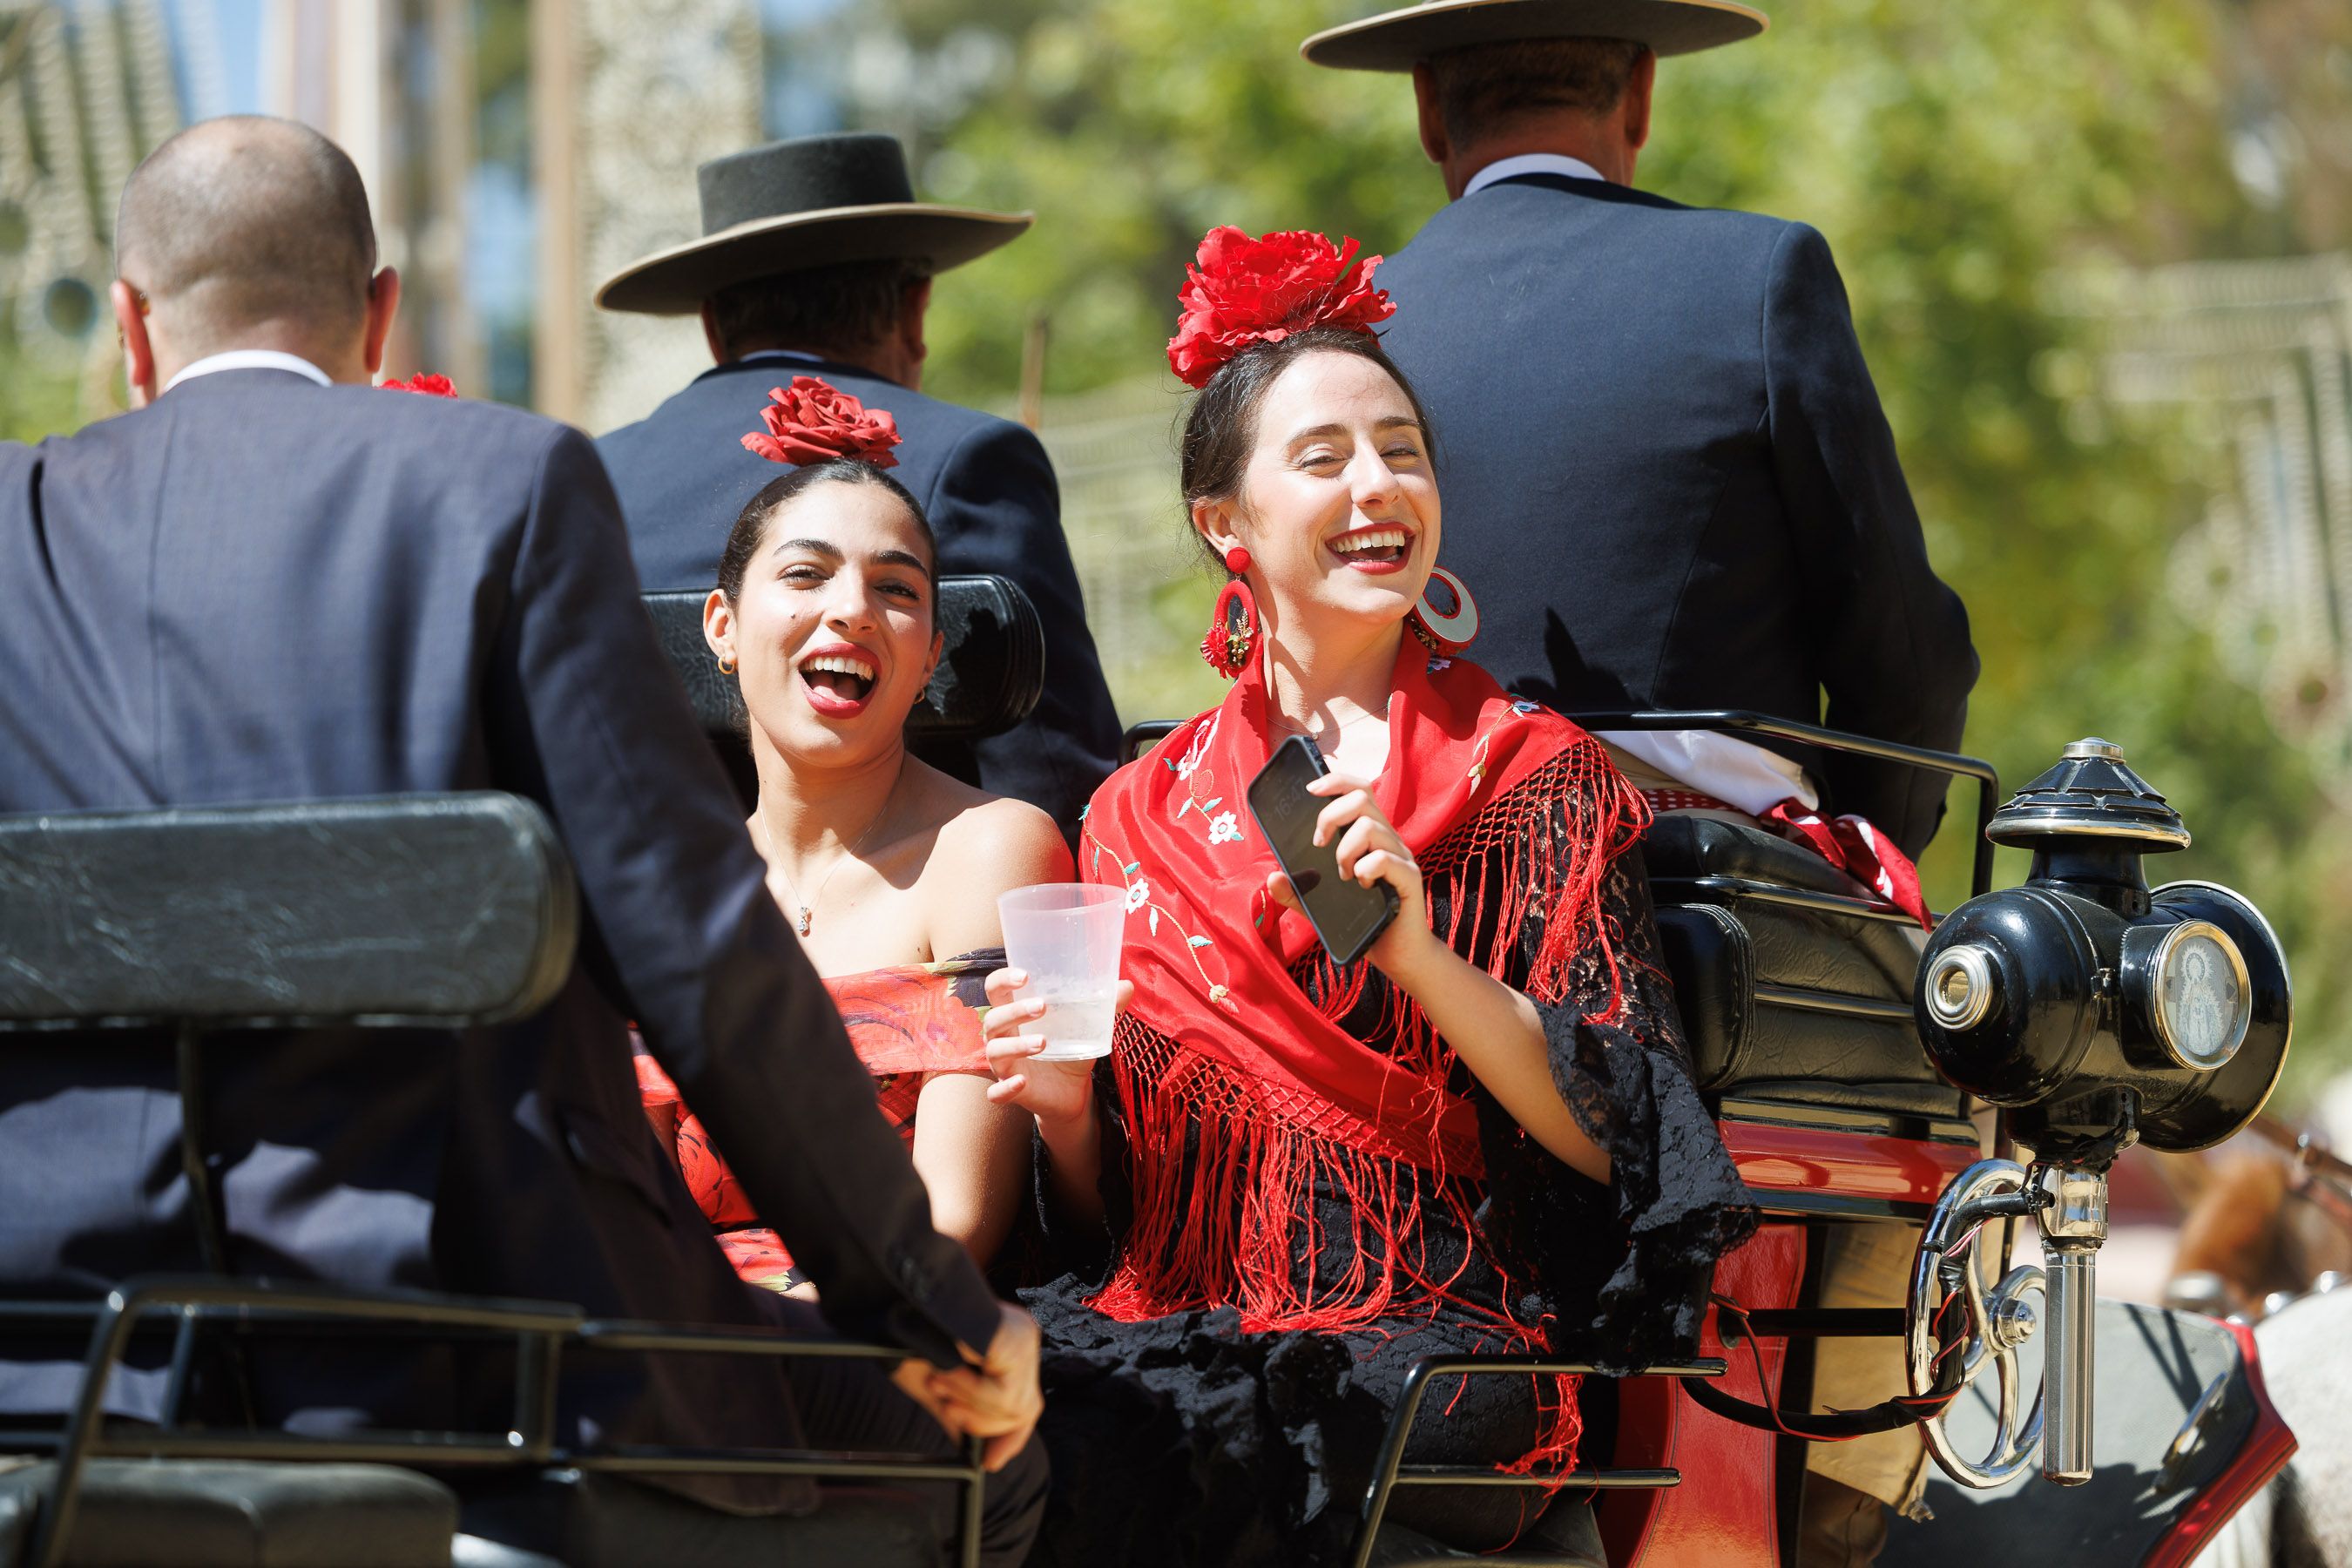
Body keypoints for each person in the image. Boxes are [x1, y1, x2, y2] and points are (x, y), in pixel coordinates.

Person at [0, 116, 1045, 1566]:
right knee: (1001, 1459)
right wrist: (929, 1304)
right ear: (381, 314)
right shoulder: (498, 485)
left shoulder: (15, 528)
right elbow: (693, 948)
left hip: (56, 1356)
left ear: (130, 326)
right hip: (476, 1352)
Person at [981, 227, 1755, 1567]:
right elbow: (1113, 1225)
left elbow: (1618, 1132)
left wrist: (1419, 957)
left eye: (1402, 451)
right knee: (994, 1407)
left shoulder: (1527, 776)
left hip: (1432, 1333)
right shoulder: (1131, 815)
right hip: (1180, 1318)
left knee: (1308, 1436)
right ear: (1223, 521)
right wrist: (1061, 1115)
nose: (1377, 484)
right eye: (1324, 456)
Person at [1298, 0, 1977, 875]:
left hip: (1405, 876)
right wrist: (1865, 859)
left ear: (1429, 110)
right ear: (1641, 97)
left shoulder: (1339, 335)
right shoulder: (1758, 275)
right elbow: (1907, 653)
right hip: (1701, 887)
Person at [635, 376, 1071, 1292]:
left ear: (930, 655)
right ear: (722, 626)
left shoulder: (991, 850)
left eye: (896, 588)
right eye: (805, 574)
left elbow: (954, 1222)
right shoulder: (665, 886)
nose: (853, 610)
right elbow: (623, 1210)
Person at [595, 132, 1121, 842]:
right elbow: (1058, 778)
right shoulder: (969, 457)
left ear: (714, 329)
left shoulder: (590, 477)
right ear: (915, 311)